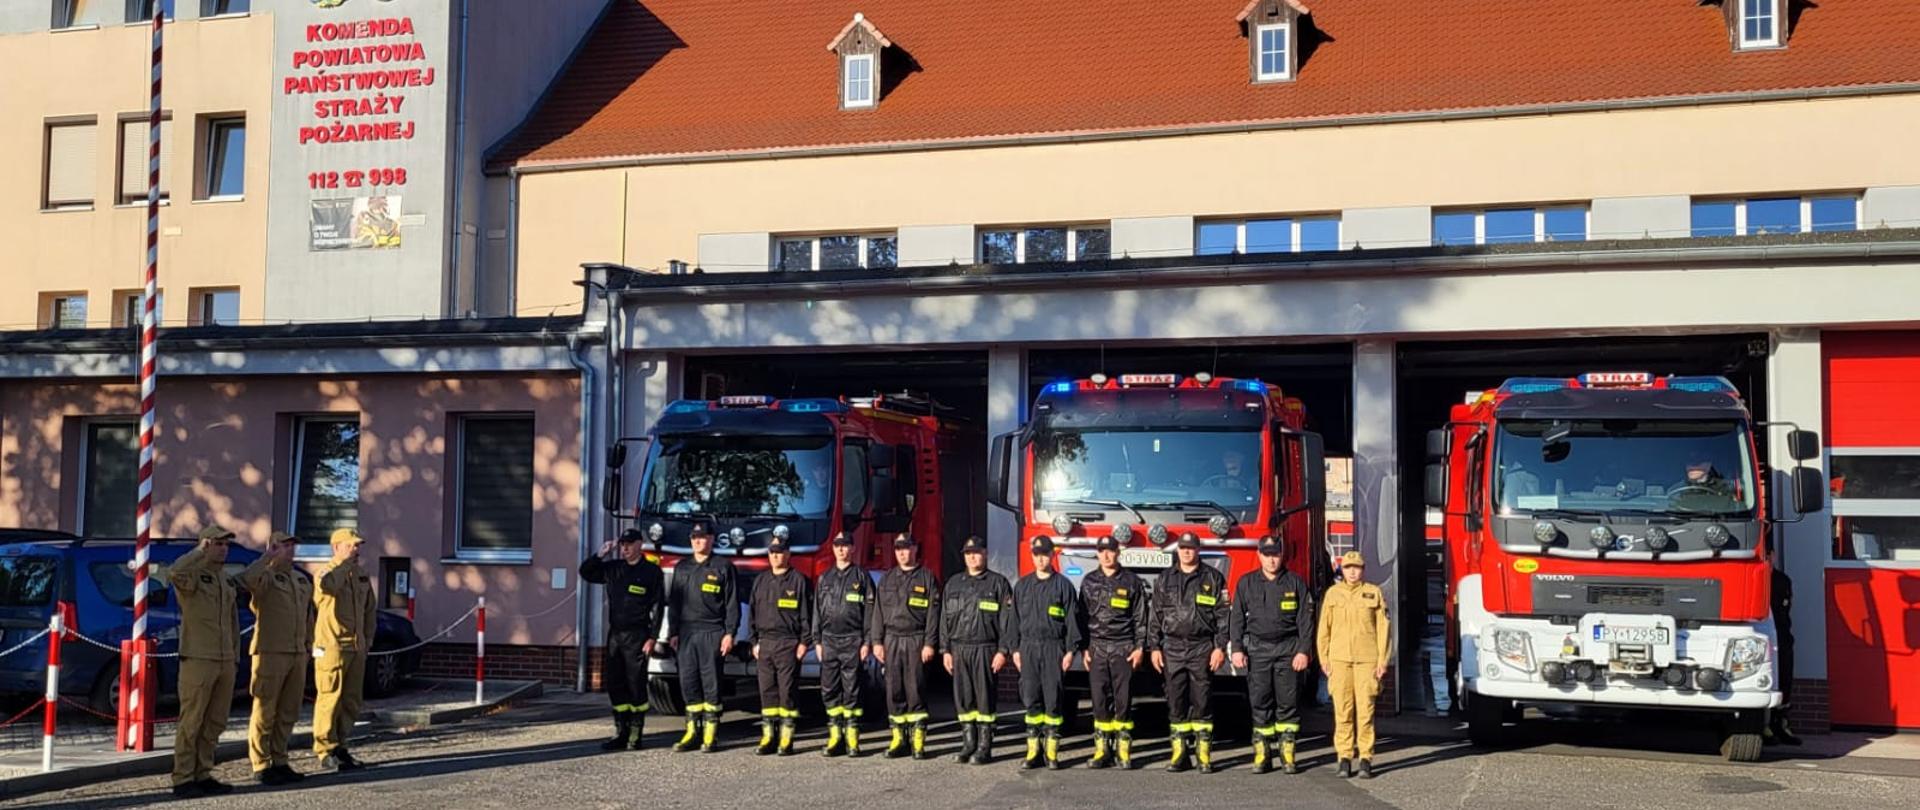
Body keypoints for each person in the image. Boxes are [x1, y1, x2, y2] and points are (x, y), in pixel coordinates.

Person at [166, 525, 241, 799]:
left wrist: (234, 656)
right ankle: (183, 777)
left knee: (215, 721)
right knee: (192, 721)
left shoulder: (224, 579)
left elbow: (232, 623)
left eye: (225, 544)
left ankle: (203, 772)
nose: (223, 549)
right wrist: (199, 550)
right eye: (218, 543)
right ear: (206, 544)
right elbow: (174, 573)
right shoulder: (193, 574)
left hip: (224, 659)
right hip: (199, 657)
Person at [1231, 536, 1315, 774]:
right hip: (1257, 651)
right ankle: (1262, 755)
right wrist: (1236, 649)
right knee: (1260, 703)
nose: (1271, 559)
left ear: (1282, 555)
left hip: (1288, 651)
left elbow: (1305, 622)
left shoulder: (1295, 583)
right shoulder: (1246, 583)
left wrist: (1303, 651)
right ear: (1259, 555)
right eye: (1267, 554)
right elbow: (1236, 618)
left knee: (1288, 705)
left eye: (1275, 554)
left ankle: (1287, 755)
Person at [579, 527, 665, 751]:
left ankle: (636, 734)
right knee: (616, 684)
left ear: (639, 544)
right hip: (616, 635)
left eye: (629, 544)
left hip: (638, 636)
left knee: (635, 684)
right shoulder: (614, 569)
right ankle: (621, 732)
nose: (625, 548)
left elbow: (658, 607)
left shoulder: (651, 572)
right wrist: (600, 555)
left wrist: (653, 637)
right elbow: (586, 572)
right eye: (622, 545)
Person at [1151, 531, 1230, 774]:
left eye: (1191, 548)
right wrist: (1154, 647)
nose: (1187, 551)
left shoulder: (1213, 578)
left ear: (1198, 550)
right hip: (1172, 648)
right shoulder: (1164, 579)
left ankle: (1203, 755)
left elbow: (1223, 616)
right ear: (1178, 551)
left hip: (1202, 648)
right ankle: (1179, 754)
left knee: (1202, 701)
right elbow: (1155, 615)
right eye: (1183, 548)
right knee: (1175, 702)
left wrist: (1220, 647)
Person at [240, 531, 313, 786]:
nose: (290, 551)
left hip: (296, 652)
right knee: (265, 711)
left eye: (292, 546)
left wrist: (308, 646)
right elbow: (246, 580)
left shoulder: (301, 580)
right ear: (273, 547)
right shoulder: (265, 576)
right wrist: (266, 558)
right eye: (284, 546)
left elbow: (308, 616)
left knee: (288, 711)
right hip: (270, 652)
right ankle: (261, 763)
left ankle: (280, 759)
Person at [940, 536, 1017, 765]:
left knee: (984, 699)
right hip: (959, 647)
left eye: (976, 552)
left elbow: (1006, 621)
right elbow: (944, 619)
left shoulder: (998, 583)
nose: (972, 557)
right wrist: (945, 650)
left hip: (986, 648)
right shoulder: (954, 584)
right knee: (964, 699)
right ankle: (968, 743)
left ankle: (985, 747)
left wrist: (1003, 650)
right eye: (968, 553)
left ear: (985, 553)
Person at [1317, 551, 1391, 779]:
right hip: (1339, 661)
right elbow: (1324, 629)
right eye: (1348, 567)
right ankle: (1344, 757)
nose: (1352, 571)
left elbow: (1384, 630)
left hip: (1367, 661)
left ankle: (1366, 757)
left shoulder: (1373, 593)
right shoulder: (1333, 594)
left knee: (1365, 712)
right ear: (1342, 570)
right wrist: (1324, 658)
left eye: (1356, 567)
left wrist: (1383, 660)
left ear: (1362, 570)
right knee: (1343, 711)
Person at [1079, 534, 1149, 770]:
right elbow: (1081, 618)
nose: (1106, 555)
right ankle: (1102, 751)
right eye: (1102, 551)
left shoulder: (1131, 581)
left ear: (1118, 552)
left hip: (1123, 647)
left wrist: (1140, 647)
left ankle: (1123, 751)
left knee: (1123, 700)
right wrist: (1083, 648)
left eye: (1110, 550)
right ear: (1097, 554)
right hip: (1097, 647)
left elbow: (1140, 618)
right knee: (1099, 701)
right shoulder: (1088, 582)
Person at [1013, 535, 1082, 770]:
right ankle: (1033, 752)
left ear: (1052, 555)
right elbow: (1013, 621)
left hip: (1054, 648)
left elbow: (1072, 621)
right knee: (1031, 699)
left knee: (1053, 701)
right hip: (1028, 647)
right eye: (1037, 554)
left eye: (1045, 554)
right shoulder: (1022, 586)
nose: (1041, 558)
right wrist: (1014, 649)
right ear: (1032, 556)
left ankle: (1051, 753)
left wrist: (1071, 651)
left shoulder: (1063, 586)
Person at [668, 524, 738, 753]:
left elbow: (731, 603)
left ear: (712, 539)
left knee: (711, 683)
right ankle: (691, 731)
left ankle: (710, 734)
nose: (699, 542)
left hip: (712, 632)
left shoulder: (722, 566)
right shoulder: (682, 567)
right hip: (687, 633)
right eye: (695, 538)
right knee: (688, 682)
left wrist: (730, 633)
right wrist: (673, 632)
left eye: (703, 537)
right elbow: (675, 603)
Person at [871, 535, 940, 759]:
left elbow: (933, 615)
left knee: (915, 688)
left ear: (915, 549)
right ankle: (898, 739)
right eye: (898, 549)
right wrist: (876, 642)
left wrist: (930, 643)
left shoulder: (927, 578)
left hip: (916, 639)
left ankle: (918, 741)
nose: (902, 553)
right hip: (891, 640)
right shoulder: (887, 579)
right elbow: (878, 613)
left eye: (906, 548)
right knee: (894, 691)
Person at [313, 528, 377, 771]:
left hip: (356, 645)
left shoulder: (361, 575)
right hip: (332, 645)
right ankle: (325, 749)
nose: (356, 550)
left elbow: (369, 609)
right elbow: (326, 589)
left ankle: (341, 745)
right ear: (336, 547)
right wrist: (343, 565)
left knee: (351, 700)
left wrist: (368, 638)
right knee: (330, 698)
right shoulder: (326, 572)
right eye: (351, 546)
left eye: (358, 546)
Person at [748, 536, 812, 756]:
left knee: (787, 692)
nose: (775, 555)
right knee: (767, 692)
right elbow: (753, 615)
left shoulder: (799, 581)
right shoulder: (761, 581)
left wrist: (805, 642)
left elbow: (806, 615)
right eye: (772, 551)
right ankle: (769, 736)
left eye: (780, 551)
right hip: (765, 643)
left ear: (788, 554)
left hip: (789, 643)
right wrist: (754, 642)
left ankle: (786, 738)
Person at [813, 532, 873, 757]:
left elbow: (870, 613)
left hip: (853, 640)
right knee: (829, 689)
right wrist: (816, 640)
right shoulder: (824, 578)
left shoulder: (862, 577)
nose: (841, 549)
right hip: (828, 640)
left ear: (852, 549)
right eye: (837, 546)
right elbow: (816, 612)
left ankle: (852, 739)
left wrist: (867, 641)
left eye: (845, 545)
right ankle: (835, 737)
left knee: (852, 689)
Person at [1766, 564, 1803, 746]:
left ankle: (1781, 724)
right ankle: (1764, 726)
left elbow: (1784, 611)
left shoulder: (1782, 580)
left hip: (1782, 637)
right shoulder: (1757, 577)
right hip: (1763, 637)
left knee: (1784, 679)